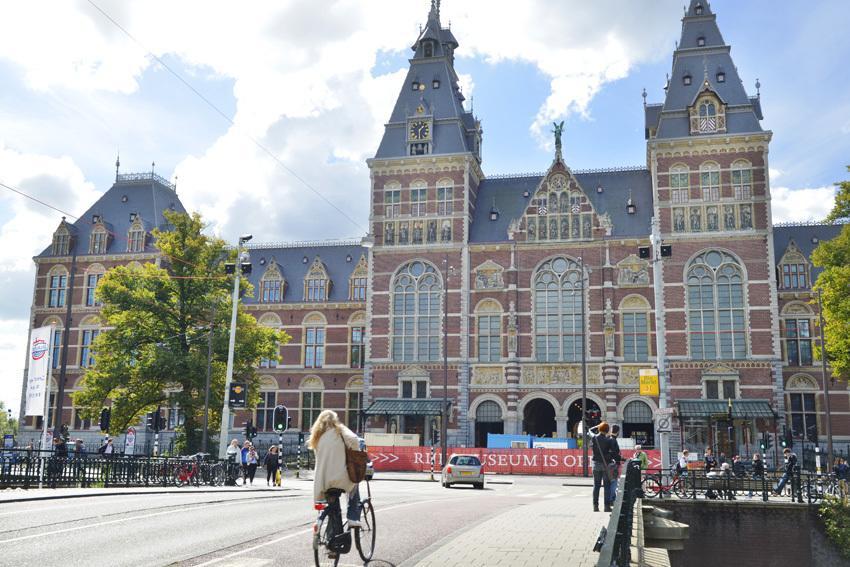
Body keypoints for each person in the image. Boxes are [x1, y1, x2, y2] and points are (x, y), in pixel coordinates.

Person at [308, 409, 363, 529]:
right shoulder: (339, 430)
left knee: (332, 502)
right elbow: (354, 439)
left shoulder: (316, 437)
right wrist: (354, 450)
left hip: (323, 482)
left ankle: (331, 530)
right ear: (334, 420)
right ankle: (352, 517)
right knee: (354, 486)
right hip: (340, 478)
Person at [587, 421, 614, 512]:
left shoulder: (594, 438)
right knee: (607, 486)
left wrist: (597, 426)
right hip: (606, 465)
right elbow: (612, 453)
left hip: (596, 464)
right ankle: (606, 507)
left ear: (599, 429)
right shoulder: (609, 440)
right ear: (607, 430)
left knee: (596, 485)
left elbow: (589, 430)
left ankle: (595, 506)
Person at [608, 425, 624, 505]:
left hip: (610, 463)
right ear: (618, 432)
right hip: (614, 464)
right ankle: (612, 498)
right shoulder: (613, 440)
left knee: (611, 482)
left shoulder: (609, 439)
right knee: (614, 481)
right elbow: (614, 453)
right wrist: (621, 458)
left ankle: (611, 498)